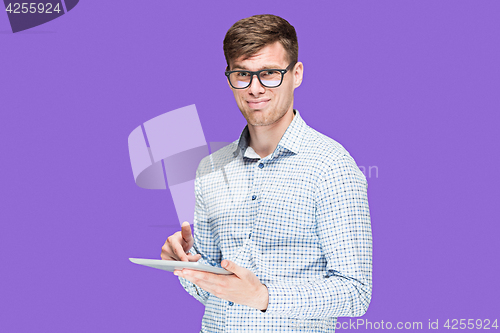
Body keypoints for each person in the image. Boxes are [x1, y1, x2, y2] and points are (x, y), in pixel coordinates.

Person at [161, 14, 372, 332]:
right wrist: (184, 263)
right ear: (229, 77)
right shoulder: (211, 168)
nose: (254, 88)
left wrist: (264, 297)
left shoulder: (332, 167)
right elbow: (213, 290)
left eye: (270, 73)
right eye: (242, 74)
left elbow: (356, 293)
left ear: (296, 74)